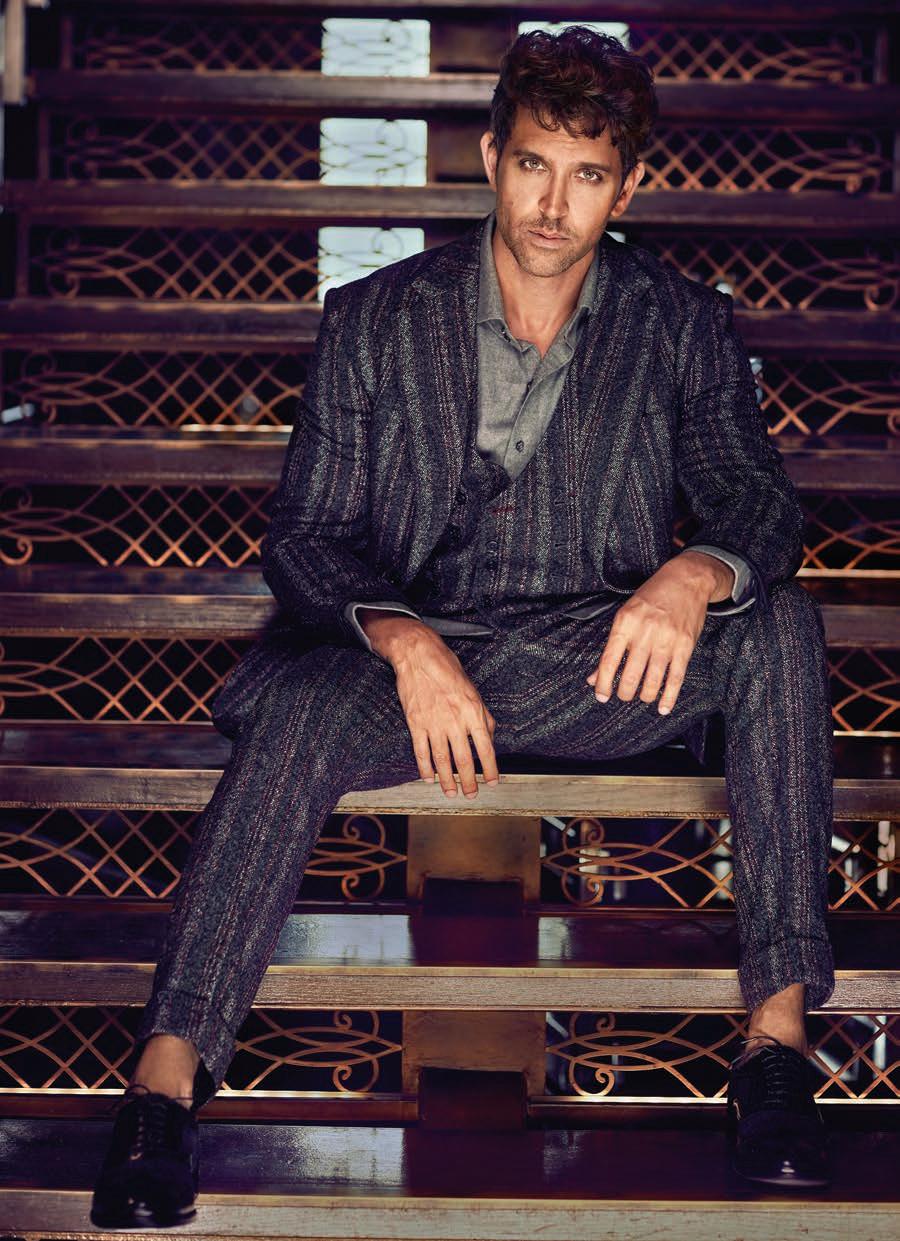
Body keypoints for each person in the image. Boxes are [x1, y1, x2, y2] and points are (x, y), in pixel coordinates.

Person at [91, 25, 837, 1227]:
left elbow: (757, 499)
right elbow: (306, 536)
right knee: (297, 706)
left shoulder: (681, 321)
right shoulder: (376, 316)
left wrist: (697, 570)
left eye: (587, 175)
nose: (553, 204)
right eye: (533, 164)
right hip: (405, 661)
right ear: (491, 157)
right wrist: (403, 636)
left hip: (590, 658)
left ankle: (777, 1045)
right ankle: (163, 1087)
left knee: (779, 624)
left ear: (627, 189)